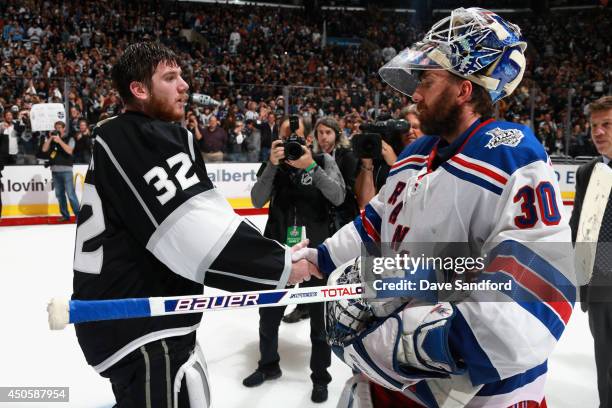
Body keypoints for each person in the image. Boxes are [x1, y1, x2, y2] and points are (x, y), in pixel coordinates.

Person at [294, 8, 576, 407]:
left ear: (464, 90)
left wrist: (405, 343)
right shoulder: (416, 153)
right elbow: (375, 225)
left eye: (427, 80)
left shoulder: (512, 154)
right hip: (398, 383)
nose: (416, 95)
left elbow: (537, 293)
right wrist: (315, 260)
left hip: (477, 391)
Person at [70, 42, 320, 408]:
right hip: (143, 329)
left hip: (128, 321)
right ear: (139, 89)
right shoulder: (142, 136)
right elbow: (193, 231)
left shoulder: (119, 136)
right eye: (170, 78)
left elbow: (199, 219)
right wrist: (281, 265)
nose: (185, 85)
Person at [242, 116, 345, 403]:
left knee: (320, 324)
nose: (292, 143)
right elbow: (255, 200)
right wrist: (272, 167)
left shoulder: (323, 162)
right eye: (286, 137)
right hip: (278, 252)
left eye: (296, 137)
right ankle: (268, 365)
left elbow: (338, 196)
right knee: (268, 315)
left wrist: (310, 165)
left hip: (317, 254)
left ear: (307, 139)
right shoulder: (274, 166)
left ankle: (320, 377)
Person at [283, 116, 360, 325]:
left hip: (341, 218)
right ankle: (304, 306)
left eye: (328, 132)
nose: (324, 137)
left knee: (337, 266)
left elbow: (345, 192)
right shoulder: (310, 155)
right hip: (318, 218)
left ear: (337, 134)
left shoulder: (347, 156)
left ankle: (340, 308)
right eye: (320, 133)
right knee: (312, 262)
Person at [569, 95, 612, 408]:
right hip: (600, 284)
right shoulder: (586, 173)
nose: (598, 132)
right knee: (606, 364)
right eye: (594, 126)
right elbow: (577, 229)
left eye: (607, 125)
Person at [41, 121, 80, 222]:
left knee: (71, 194)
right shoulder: (52, 140)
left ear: (64, 129)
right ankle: (65, 215)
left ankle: (79, 216)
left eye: (59, 127)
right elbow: (44, 149)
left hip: (66, 171)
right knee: (59, 194)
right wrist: (50, 138)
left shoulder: (69, 138)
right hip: (54, 171)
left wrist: (60, 141)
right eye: (56, 127)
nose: (57, 129)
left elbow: (70, 150)